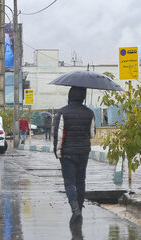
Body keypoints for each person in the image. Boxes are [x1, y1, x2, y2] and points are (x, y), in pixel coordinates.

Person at [53, 86, 95, 227]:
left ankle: (75, 209)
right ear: (83, 97)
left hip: (68, 153)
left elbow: (59, 135)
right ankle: (80, 209)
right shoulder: (90, 113)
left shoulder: (63, 113)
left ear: (70, 96)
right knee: (80, 181)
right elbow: (92, 134)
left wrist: (57, 152)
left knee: (69, 182)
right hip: (84, 152)